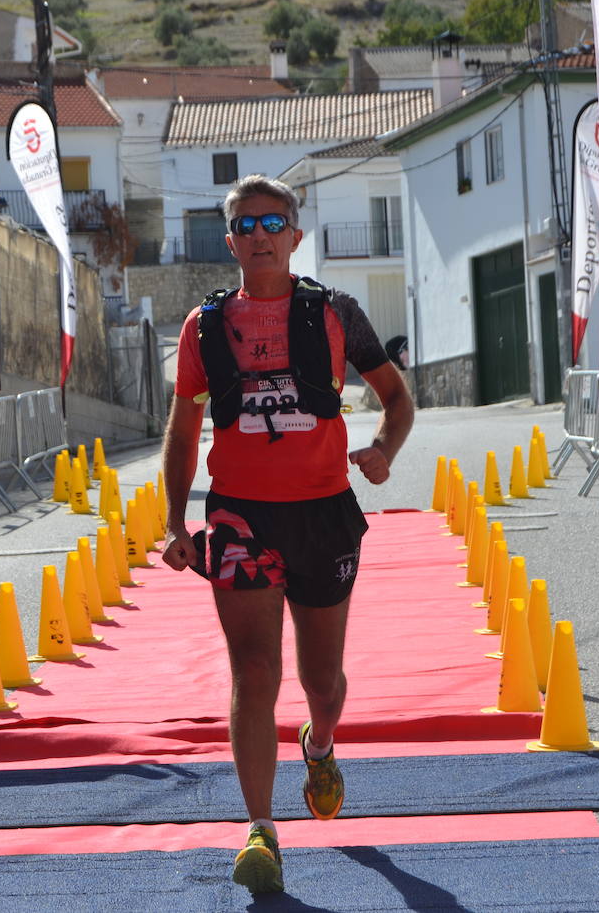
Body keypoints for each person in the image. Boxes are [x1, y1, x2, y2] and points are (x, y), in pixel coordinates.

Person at [161, 175, 414, 894]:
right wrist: (175, 522)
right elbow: (182, 434)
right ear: (231, 239)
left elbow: (395, 399)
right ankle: (261, 832)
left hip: (325, 512)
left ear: (296, 236)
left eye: (273, 222)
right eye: (245, 225)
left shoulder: (336, 313)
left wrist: (383, 451)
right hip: (240, 514)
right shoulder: (203, 327)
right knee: (254, 672)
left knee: (321, 682)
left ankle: (321, 742)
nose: (260, 234)